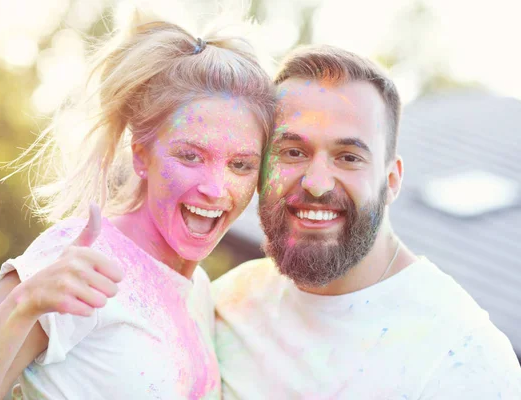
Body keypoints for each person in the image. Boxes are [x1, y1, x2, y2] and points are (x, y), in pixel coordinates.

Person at [0, 11, 275, 400]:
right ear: (141, 155)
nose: (215, 188)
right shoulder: (79, 259)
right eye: (190, 156)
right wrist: (25, 303)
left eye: (240, 165)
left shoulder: (200, 291)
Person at [213, 45, 521, 399]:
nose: (316, 182)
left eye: (348, 157)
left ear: (391, 180)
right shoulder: (226, 305)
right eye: (293, 152)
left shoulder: (463, 360)